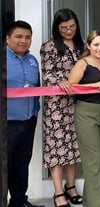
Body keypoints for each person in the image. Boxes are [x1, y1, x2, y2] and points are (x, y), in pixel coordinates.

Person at [40, 8, 84, 207]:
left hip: (78, 103)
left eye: (72, 26)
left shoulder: (81, 45)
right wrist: (61, 82)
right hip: (56, 106)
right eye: (64, 28)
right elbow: (47, 73)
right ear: (57, 28)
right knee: (57, 149)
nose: (69, 31)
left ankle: (71, 186)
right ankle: (58, 192)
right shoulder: (49, 46)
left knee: (73, 147)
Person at [68, 30, 100, 207]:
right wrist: (94, 85)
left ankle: (90, 203)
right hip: (86, 113)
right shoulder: (83, 63)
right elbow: (71, 87)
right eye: (96, 44)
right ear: (88, 46)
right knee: (93, 162)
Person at [6, 20, 44, 207]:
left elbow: (36, 88)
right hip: (7, 123)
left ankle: (19, 201)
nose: (23, 41)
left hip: (28, 121)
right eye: (18, 36)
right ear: (8, 38)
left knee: (21, 163)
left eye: (27, 37)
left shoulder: (32, 60)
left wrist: (35, 112)